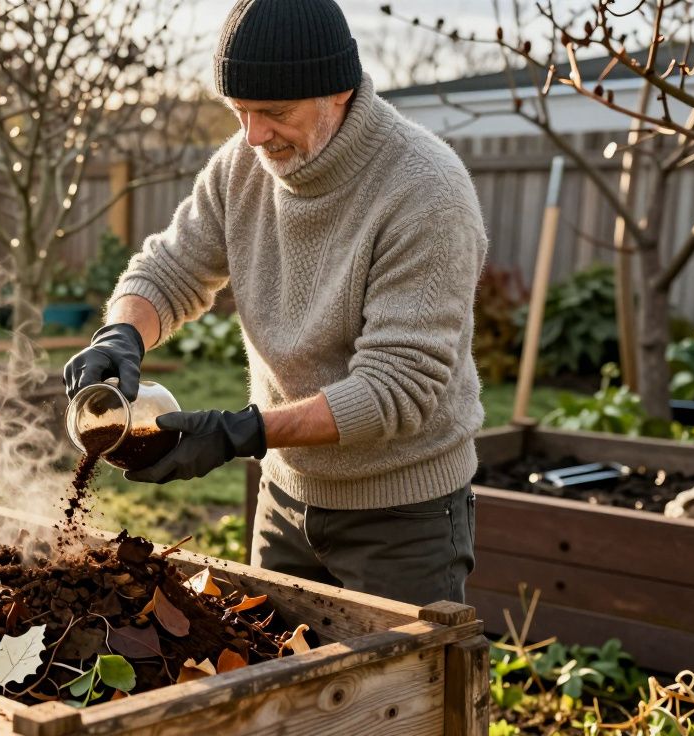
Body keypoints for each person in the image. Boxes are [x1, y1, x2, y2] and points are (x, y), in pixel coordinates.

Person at [63, 0, 488, 605]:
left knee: (393, 699)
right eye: (239, 112)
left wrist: (241, 432)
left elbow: (397, 388)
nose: (254, 135)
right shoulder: (243, 165)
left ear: (337, 91)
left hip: (402, 518)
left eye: (274, 112)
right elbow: (169, 268)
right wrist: (121, 333)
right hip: (284, 499)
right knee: (275, 689)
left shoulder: (425, 191)